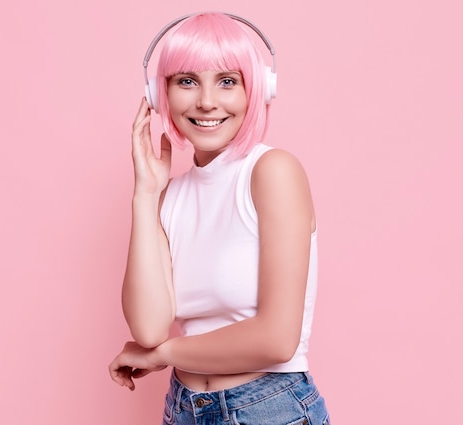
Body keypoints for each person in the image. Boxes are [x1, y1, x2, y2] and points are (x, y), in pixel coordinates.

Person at [109, 12, 330, 425]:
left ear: (258, 90)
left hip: (269, 409)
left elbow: (277, 339)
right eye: (186, 81)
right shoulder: (168, 196)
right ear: (160, 95)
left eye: (227, 81)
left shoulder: (272, 172)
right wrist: (146, 193)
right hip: (184, 409)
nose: (207, 101)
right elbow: (149, 327)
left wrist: (162, 355)